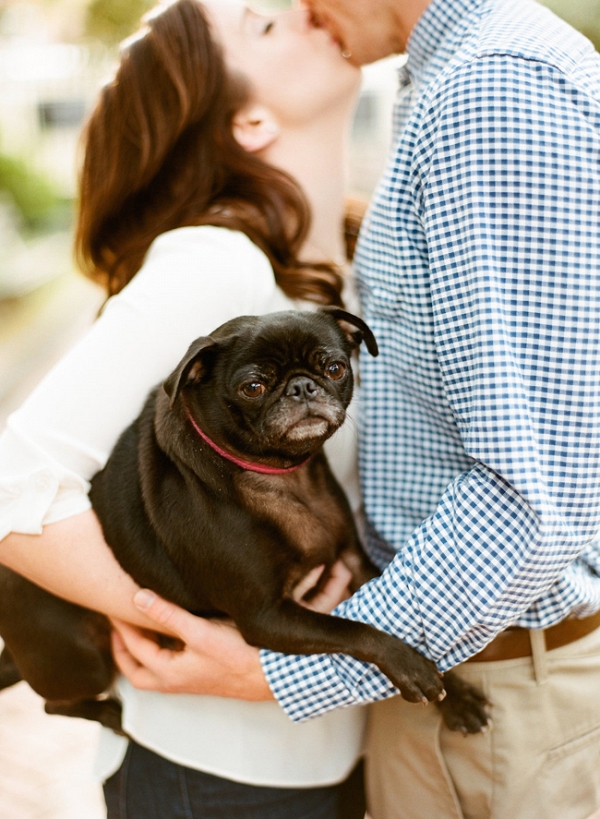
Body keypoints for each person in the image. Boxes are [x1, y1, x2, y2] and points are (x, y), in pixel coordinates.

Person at [105, 1, 600, 818]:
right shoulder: (449, 85)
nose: (296, 9)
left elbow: (529, 493)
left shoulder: (492, 90)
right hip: (438, 677)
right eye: (262, 24)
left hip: (491, 677)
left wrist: (283, 665)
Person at [0, 1, 369, 817]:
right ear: (250, 120)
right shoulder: (213, 263)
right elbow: (12, 479)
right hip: (216, 776)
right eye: (266, 27)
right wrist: (188, 632)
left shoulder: (339, 264)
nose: (306, 10)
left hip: (329, 758)